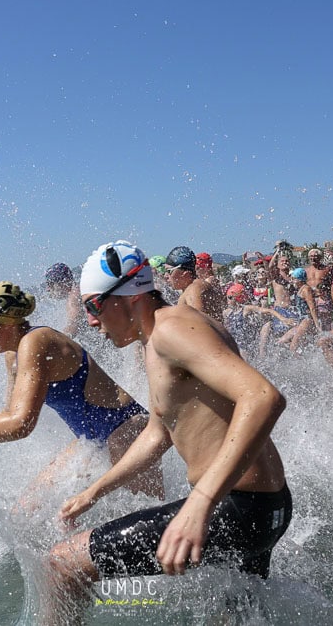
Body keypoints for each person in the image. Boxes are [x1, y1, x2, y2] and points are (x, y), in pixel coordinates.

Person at [43, 241, 291, 624]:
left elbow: (262, 398)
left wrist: (200, 503)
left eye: (94, 306)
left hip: (237, 507)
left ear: (129, 296)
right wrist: (95, 491)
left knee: (62, 565)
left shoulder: (173, 328)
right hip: (261, 507)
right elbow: (159, 434)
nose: (92, 321)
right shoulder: (157, 341)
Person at [0, 281, 163, 498]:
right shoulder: (13, 354)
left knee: (146, 521)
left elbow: (22, 424)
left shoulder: (37, 341)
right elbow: (8, 413)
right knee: (26, 513)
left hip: (125, 429)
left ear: (5, 323)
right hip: (89, 439)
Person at [165, 245, 225, 321]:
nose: (165, 276)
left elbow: (200, 323)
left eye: (169, 271)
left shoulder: (194, 289)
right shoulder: (194, 288)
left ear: (185, 273)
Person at [43, 263, 88, 338]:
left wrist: (57, 342)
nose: (48, 289)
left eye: (50, 284)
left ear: (62, 283)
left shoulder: (74, 297)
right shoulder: (79, 290)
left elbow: (73, 325)